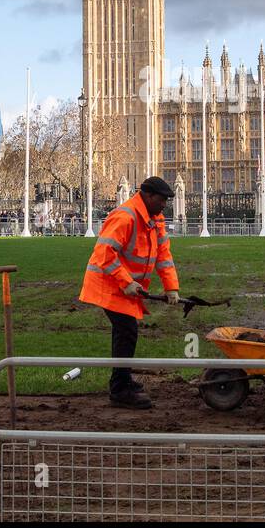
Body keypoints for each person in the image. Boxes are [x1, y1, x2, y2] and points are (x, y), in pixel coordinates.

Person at [78, 176, 180, 410]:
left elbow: (164, 256)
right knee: (127, 331)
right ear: (148, 195)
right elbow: (105, 253)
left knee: (125, 332)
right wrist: (126, 282)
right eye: (162, 200)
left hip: (123, 287)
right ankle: (120, 389)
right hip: (108, 285)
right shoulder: (125, 216)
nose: (165, 204)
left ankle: (121, 381)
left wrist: (171, 287)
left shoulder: (155, 219)